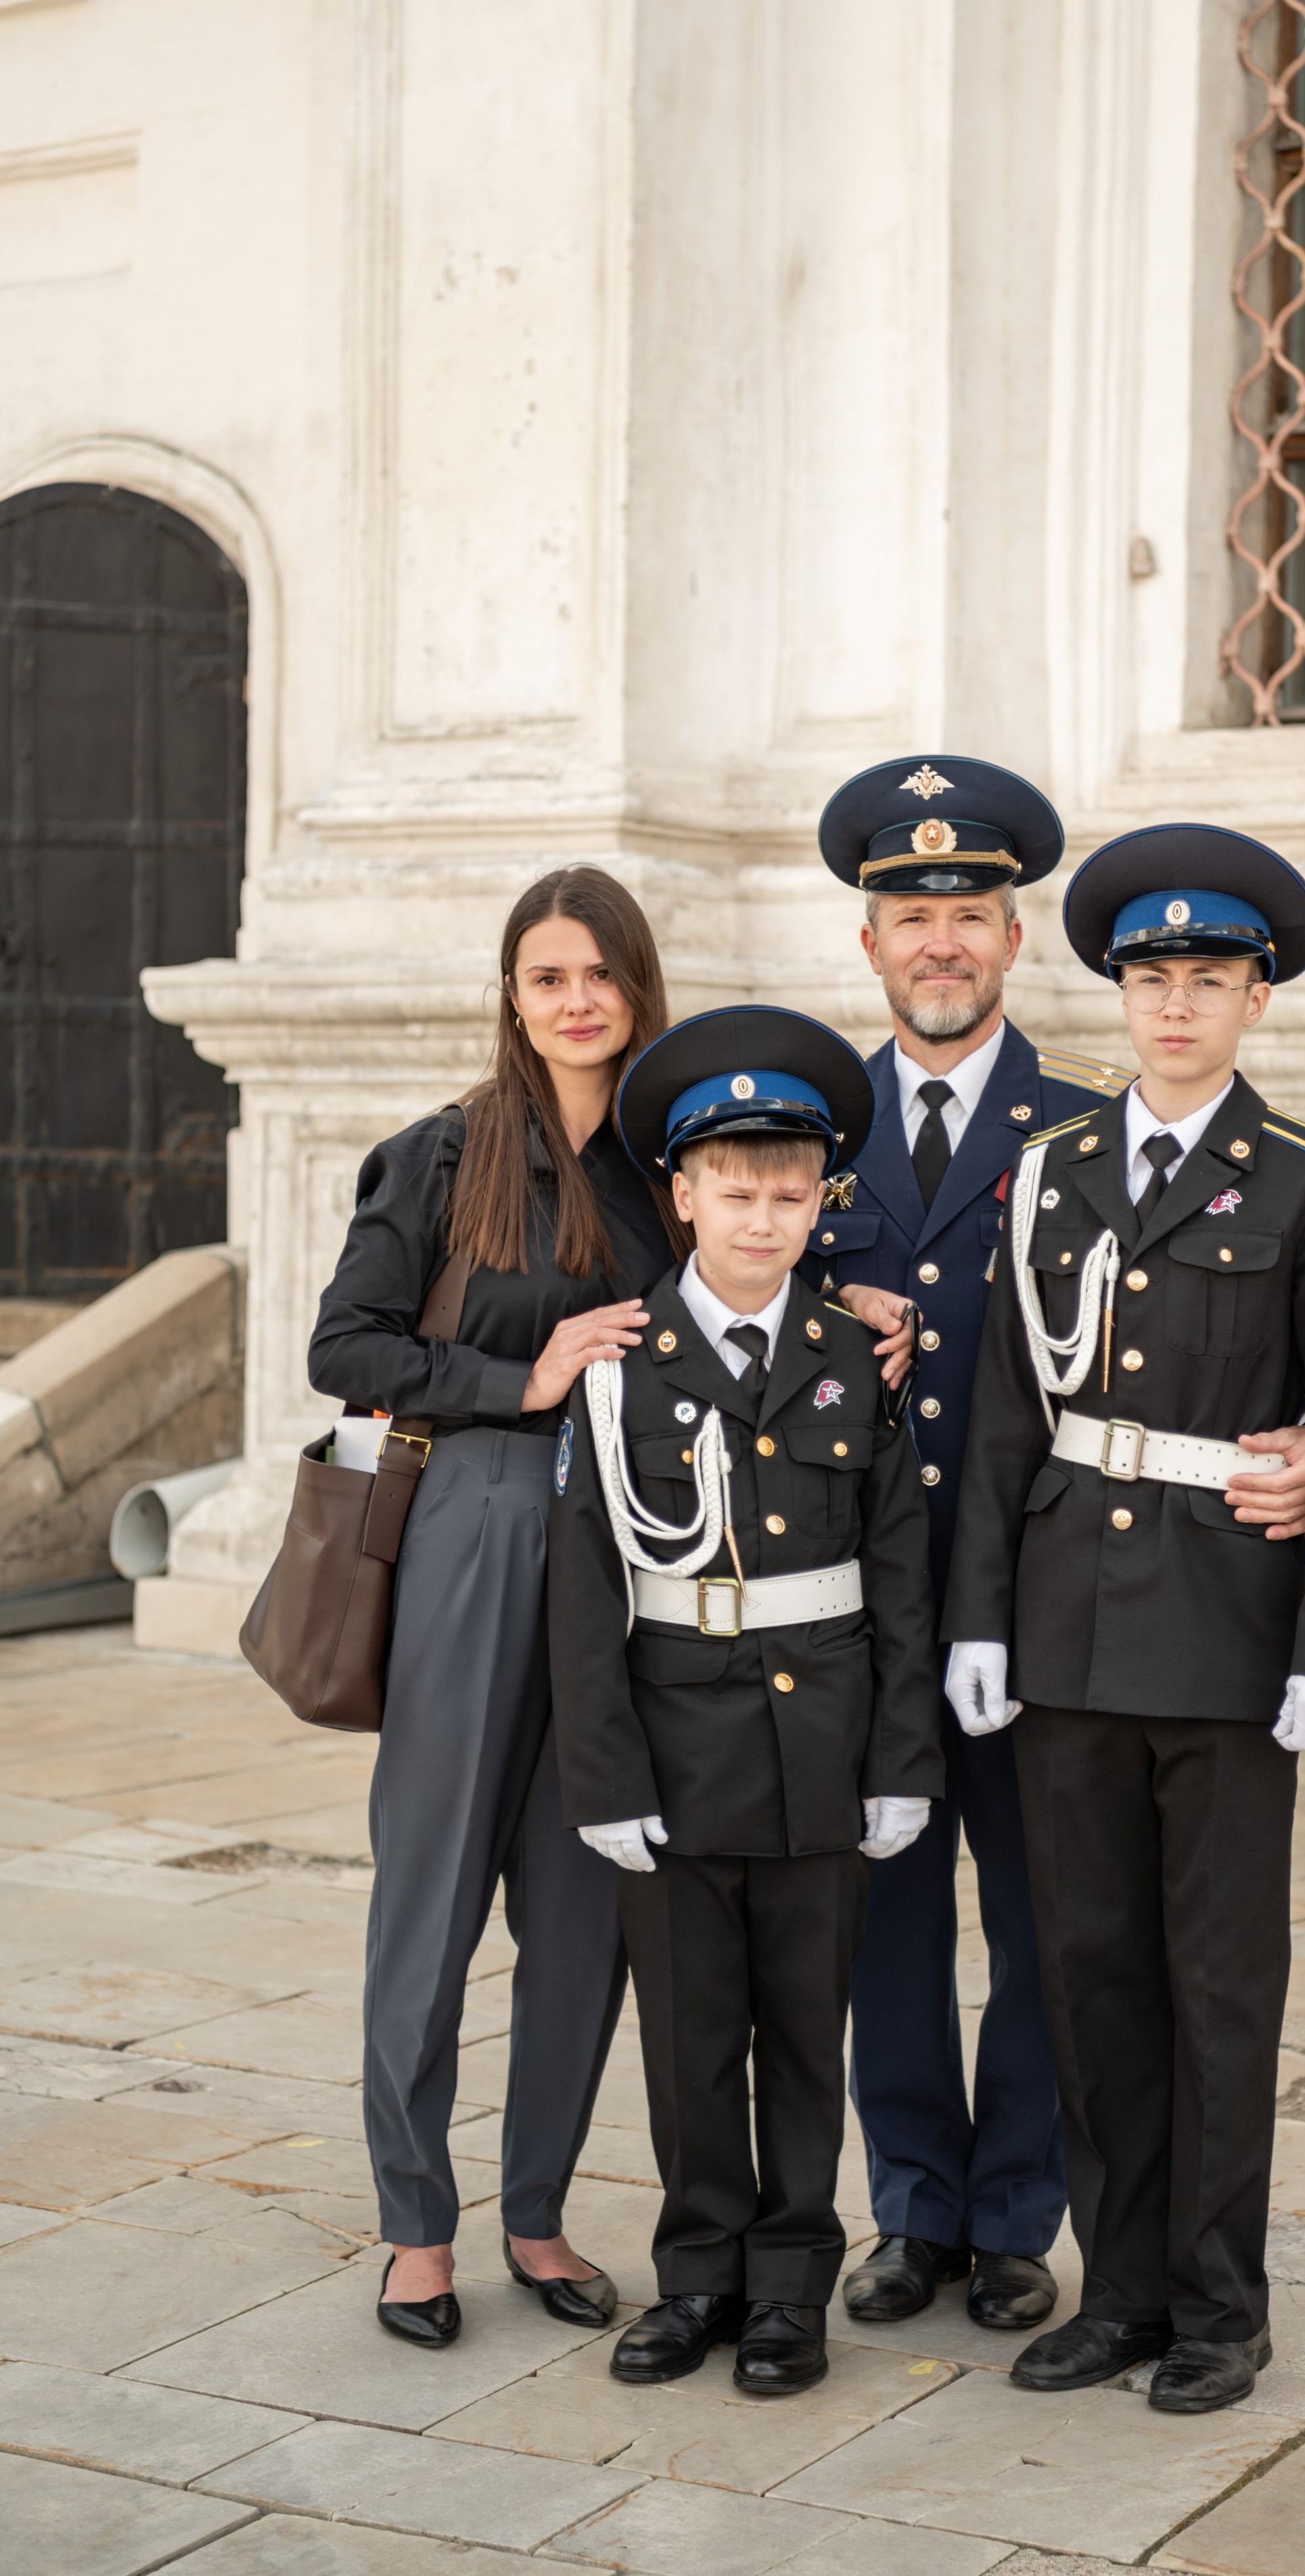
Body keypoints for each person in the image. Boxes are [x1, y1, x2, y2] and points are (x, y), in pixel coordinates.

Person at [803, 756, 1305, 2334]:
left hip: (1041, 1593)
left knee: (1053, 1924)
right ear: (869, 945)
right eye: (910, 917)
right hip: (857, 1601)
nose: (939, 941)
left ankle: (1018, 2211)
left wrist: (1299, 1441)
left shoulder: (1090, 1126)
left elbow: (1228, 1333)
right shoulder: (804, 1129)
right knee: (886, 1916)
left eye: (968, 913)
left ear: (1013, 938)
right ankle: (913, 2207)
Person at [942, 824, 1305, 2414]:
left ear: (1254, 1000)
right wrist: (978, 1616)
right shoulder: (1052, 1170)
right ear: (1119, 996)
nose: (1177, 1006)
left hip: (1224, 1635)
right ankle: (1119, 2289)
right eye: (1152, 980)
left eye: (1208, 980)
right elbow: (1007, 1411)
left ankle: (1217, 2305)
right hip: (1065, 1623)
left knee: (1216, 1986)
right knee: (1086, 1975)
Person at [308, 865, 685, 2348]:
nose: (578, 1000)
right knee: (433, 1894)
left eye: (601, 973)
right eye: (548, 977)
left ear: (639, 987)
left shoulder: (676, 1160)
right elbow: (346, 1344)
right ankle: (416, 2226)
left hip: (634, 1555)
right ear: (514, 997)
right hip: (477, 1525)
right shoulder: (439, 1156)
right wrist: (518, 1379)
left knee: (587, 1904)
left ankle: (536, 2212)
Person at [547, 1008, 945, 2397]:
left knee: (805, 2037)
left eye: (789, 1195)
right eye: (735, 1193)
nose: (762, 1220)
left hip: (823, 1747)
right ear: (682, 1195)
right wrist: (603, 1777)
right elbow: (584, 1589)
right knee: (690, 2039)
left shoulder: (852, 1357)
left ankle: (788, 2291)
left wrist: (902, 1761)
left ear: (821, 1202)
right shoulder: (618, 1367)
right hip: (675, 1748)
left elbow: (898, 1574)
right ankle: (697, 2279)